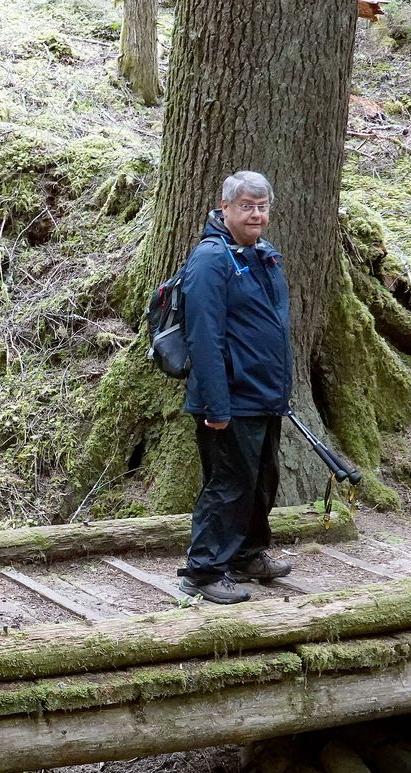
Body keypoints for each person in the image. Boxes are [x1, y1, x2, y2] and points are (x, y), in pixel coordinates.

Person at [176, 170, 294, 605]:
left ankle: (246, 554)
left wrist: (280, 391)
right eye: (246, 206)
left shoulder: (262, 254)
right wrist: (216, 404)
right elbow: (204, 337)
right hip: (229, 400)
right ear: (225, 208)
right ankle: (203, 571)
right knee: (228, 484)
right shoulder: (211, 259)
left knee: (262, 480)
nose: (256, 214)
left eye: (262, 206)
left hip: (264, 396)